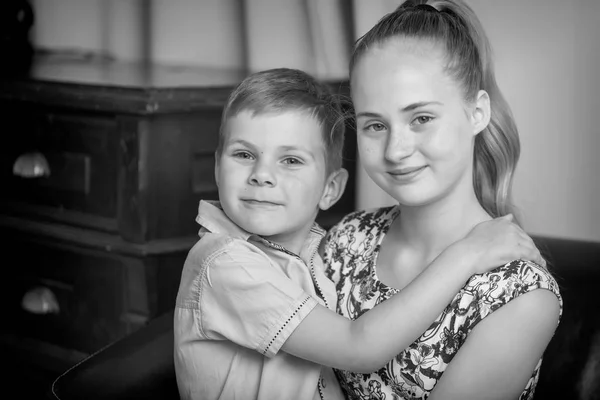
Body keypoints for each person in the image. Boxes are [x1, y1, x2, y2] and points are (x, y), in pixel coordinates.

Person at [173, 67, 547, 400]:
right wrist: (468, 253)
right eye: (243, 155)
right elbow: (359, 347)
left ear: (330, 190)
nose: (262, 174)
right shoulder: (226, 263)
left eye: (290, 160)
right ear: (217, 170)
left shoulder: (318, 248)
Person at [322, 1, 563, 399]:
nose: (395, 150)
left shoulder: (520, 295)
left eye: (421, 118)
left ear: (477, 113)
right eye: (375, 125)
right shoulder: (347, 238)